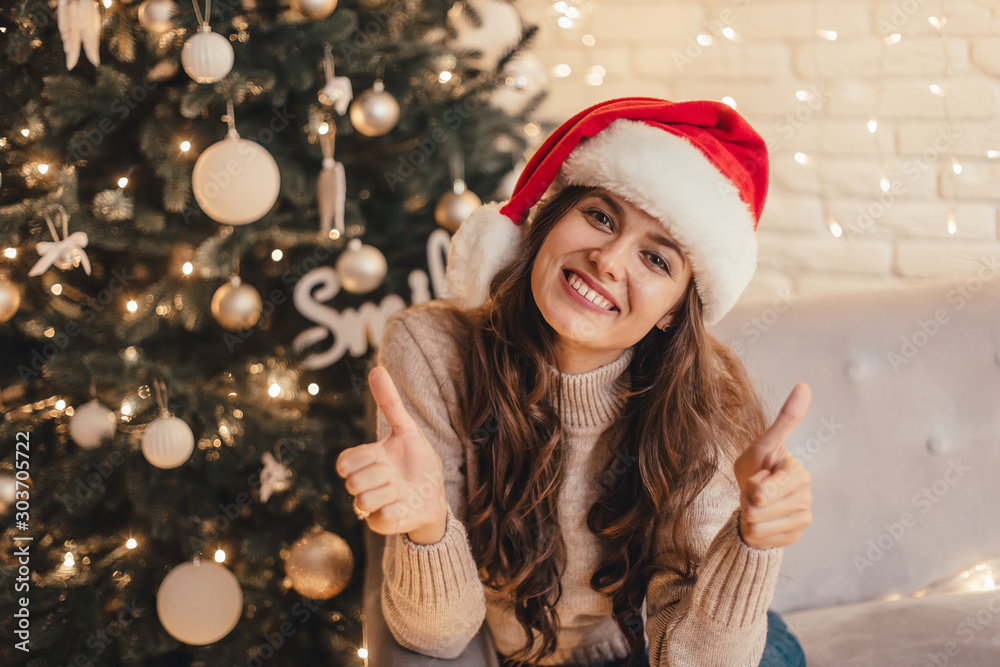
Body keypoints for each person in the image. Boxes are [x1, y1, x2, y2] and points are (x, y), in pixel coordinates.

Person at [336, 97, 812, 666]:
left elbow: (693, 658)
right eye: (601, 217)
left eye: (656, 261)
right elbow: (438, 638)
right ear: (549, 219)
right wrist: (430, 528)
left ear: (673, 311)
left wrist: (754, 547)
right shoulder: (431, 349)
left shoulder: (706, 402)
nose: (609, 261)